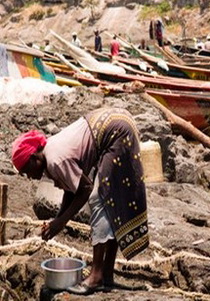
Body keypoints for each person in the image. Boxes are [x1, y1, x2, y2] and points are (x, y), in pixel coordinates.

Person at [11, 108, 149, 295]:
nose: (29, 176)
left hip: (116, 131)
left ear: (35, 158)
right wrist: (57, 220)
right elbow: (72, 188)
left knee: (98, 200)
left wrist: (61, 222)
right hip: (114, 122)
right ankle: (106, 275)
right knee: (111, 202)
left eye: (27, 170)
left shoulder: (54, 160)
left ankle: (96, 277)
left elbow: (85, 189)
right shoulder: (51, 155)